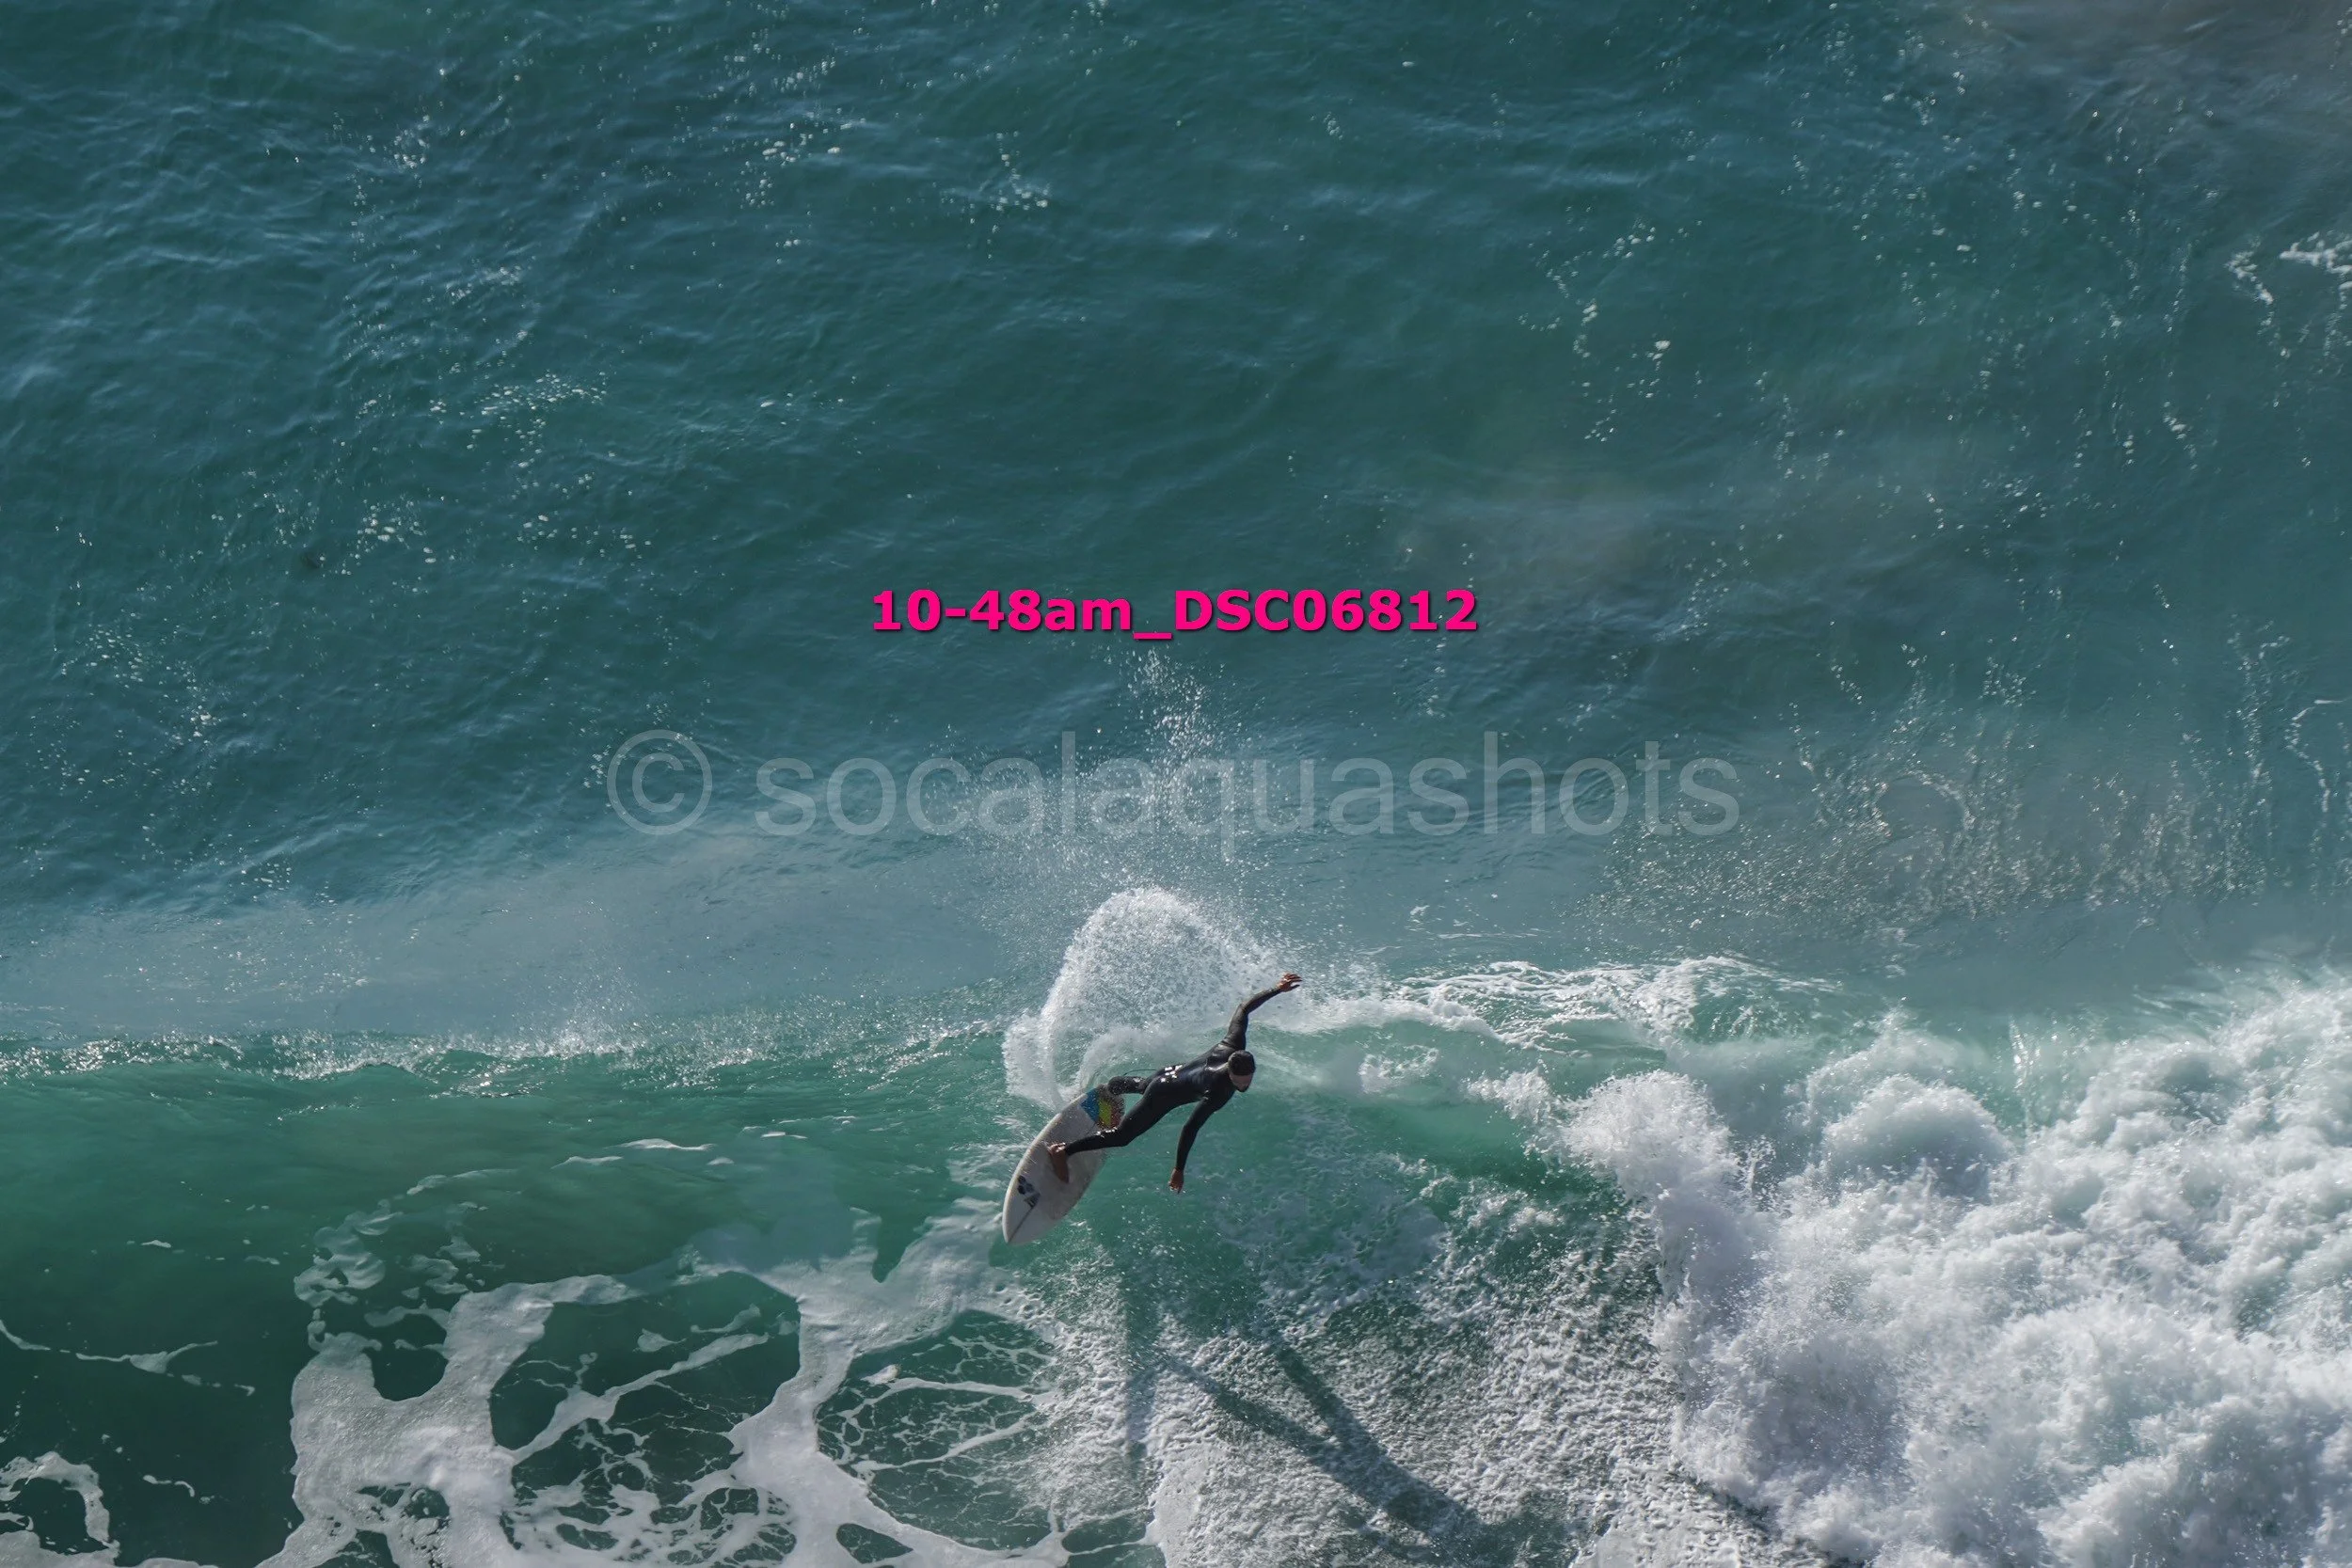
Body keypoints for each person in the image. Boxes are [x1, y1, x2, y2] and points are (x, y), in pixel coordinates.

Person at [1049, 974, 1301, 1192]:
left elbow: (1243, 1010)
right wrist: (1179, 1169)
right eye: (1240, 1081)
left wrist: (1277, 989)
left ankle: (1115, 1086)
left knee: (1145, 1085)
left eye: (1248, 1080)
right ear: (1231, 1072)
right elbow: (1190, 1129)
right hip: (1162, 1095)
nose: (1244, 1085)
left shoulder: (1232, 1045)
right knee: (1122, 1137)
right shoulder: (1217, 1092)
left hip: (1168, 1074)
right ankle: (1063, 1151)